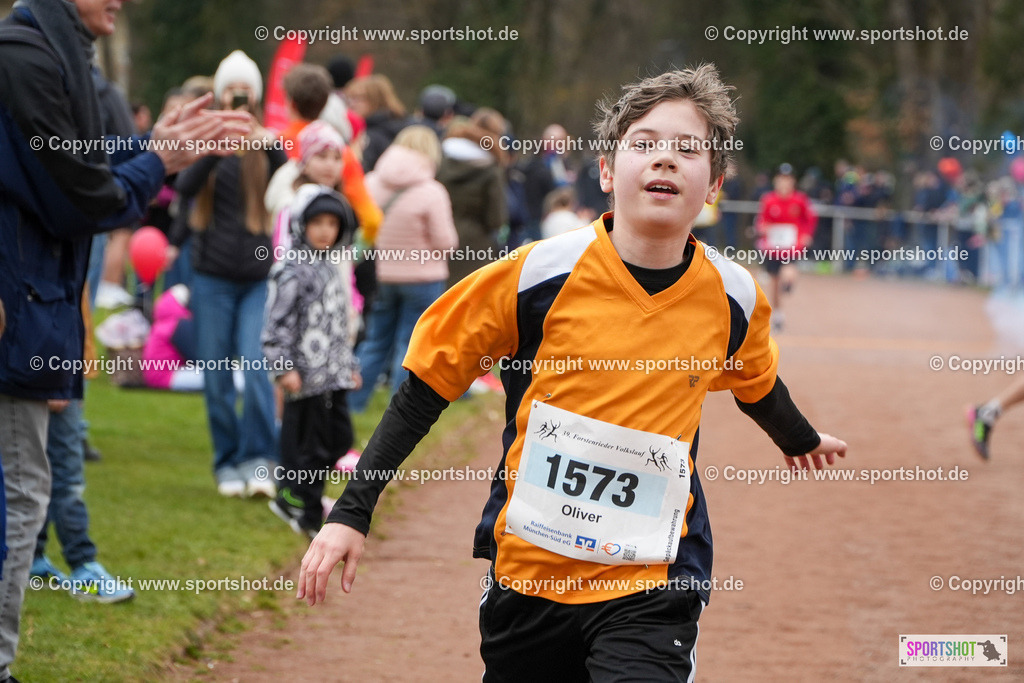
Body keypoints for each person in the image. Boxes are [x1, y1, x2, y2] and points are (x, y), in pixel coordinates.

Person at [297, 65, 847, 681]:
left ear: (714, 184)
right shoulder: (535, 275)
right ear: (607, 172)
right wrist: (352, 511)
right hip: (530, 576)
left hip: (655, 578)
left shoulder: (733, 295)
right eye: (645, 143)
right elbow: (426, 387)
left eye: (688, 150)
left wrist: (800, 438)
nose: (665, 159)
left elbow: (757, 383)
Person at [0, 0, 249, 677]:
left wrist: (149, 149)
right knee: (21, 497)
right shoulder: (25, 57)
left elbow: (74, 166)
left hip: (33, 313)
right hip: (17, 320)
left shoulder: (48, 53)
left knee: (26, 491)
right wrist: (157, 158)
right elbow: (78, 198)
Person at [175, 50, 286, 498]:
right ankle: (227, 462)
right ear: (220, 94)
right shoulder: (206, 141)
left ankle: (260, 458)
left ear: (255, 97)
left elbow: (290, 183)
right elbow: (182, 188)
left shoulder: (265, 142)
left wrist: (267, 143)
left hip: (258, 278)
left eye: (246, 93)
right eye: (231, 92)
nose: (239, 100)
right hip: (212, 277)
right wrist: (214, 144)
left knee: (256, 366)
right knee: (217, 375)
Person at [263, 184, 360, 539]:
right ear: (301, 225)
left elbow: (338, 323)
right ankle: (305, 508)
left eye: (332, 224)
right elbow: (276, 325)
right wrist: (283, 367)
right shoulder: (290, 270)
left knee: (340, 438)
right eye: (317, 222)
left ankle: (297, 497)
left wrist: (350, 366)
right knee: (309, 446)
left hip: (334, 376)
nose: (324, 231)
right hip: (303, 379)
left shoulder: (331, 267)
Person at [347, 125, 458, 412]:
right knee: (411, 346)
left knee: (375, 341)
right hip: (423, 279)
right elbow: (446, 242)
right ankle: (399, 412)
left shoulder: (370, 182)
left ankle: (352, 404)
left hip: (381, 275)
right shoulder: (432, 191)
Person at [437, 109, 509, 287]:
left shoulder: (443, 157)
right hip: (476, 246)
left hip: (440, 238)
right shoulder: (491, 168)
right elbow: (496, 219)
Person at [755, 163, 816, 332]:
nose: (784, 182)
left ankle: (788, 282)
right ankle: (778, 314)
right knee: (774, 283)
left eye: (787, 179)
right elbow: (762, 220)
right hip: (773, 248)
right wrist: (763, 228)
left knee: (788, 272)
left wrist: (806, 235)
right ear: (776, 180)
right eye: (781, 179)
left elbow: (810, 219)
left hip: (792, 247)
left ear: (792, 181)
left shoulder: (800, 200)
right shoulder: (768, 200)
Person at [346, 74, 408, 172]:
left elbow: (361, 170)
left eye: (358, 98)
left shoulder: (370, 135)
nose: (352, 104)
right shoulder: (398, 123)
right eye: (350, 98)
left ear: (376, 100)